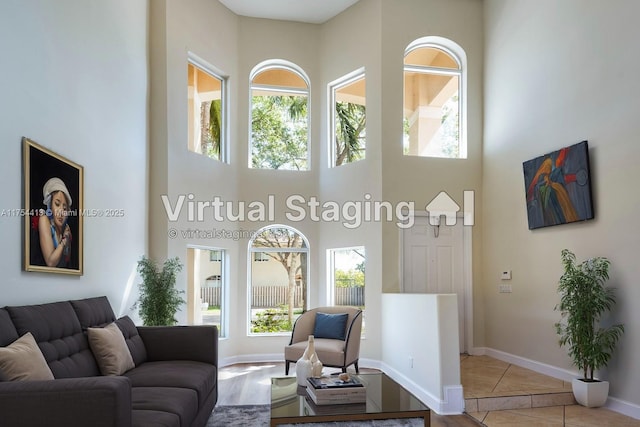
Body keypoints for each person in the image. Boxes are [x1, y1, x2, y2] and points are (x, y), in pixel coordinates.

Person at [38, 177, 73, 268]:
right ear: (50, 206)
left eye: (65, 208)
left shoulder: (65, 231)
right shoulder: (44, 220)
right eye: (57, 204)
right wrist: (64, 241)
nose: (61, 211)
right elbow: (50, 263)